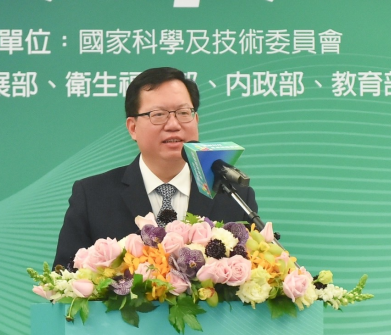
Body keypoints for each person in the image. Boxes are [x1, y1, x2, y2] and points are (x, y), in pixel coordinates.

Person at [53, 67, 258, 268]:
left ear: (196, 120)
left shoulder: (233, 196)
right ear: (133, 128)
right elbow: (64, 278)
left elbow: (258, 267)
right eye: (158, 114)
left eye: (183, 113)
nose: (173, 125)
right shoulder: (92, 196)